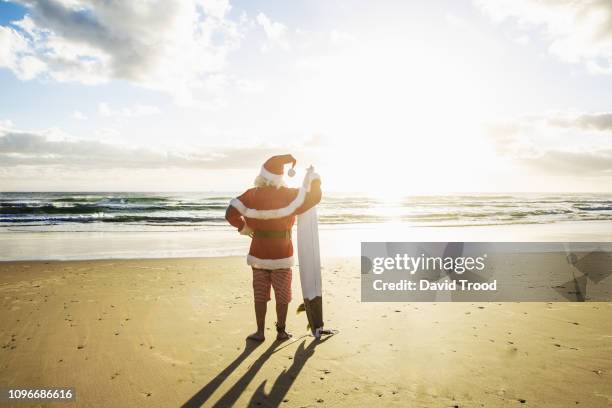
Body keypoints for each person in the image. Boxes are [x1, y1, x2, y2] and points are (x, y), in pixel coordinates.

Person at [225, 154, 322, 341]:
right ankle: (281, 332)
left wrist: (244, 227)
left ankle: (260, 332)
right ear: (280, 177)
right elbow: (315, 197)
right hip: (282, 254)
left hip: (258, 254)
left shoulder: (251, 195)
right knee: (283, 296)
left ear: (261, 176)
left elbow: (230, 213)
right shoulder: (288, 195)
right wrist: (315, 178)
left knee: (260, 295)